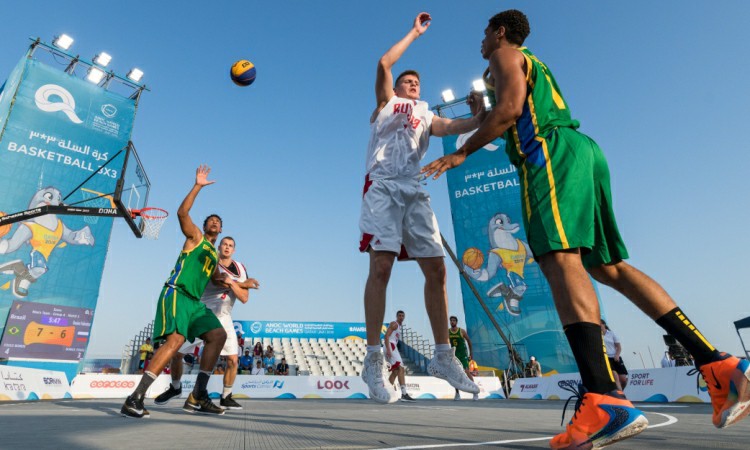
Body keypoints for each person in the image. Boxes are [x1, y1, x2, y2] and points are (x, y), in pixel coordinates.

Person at [421, 9, 750, 447]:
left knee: (560, 261)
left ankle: (602, 397)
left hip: (549, 155)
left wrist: (462, 153)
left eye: (485, 33)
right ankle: (719, 365)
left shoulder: (504, 53)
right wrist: (482, 115)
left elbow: (512, 110)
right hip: (581, 153)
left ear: (500, 32)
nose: (482, 41)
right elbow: (506, 110)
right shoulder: (528, 62)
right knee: (609, 267)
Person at [359, 11, 484, 405]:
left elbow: (456, 128)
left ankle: (444, 356)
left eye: (417, 82)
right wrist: (414, 32)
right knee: (381, 266)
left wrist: (479, 115)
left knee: (438, 269)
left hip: (414, 190)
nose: (414, 84)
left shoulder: (427, 113)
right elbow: (384, 62)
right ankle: (373, 357)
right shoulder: (386, 104)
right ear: (395, 87)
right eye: (407, 81)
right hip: (382, 188)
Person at [120, 165, 228, 419]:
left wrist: (241, 283)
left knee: (217, 335)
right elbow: (182, 212)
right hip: (177, 293)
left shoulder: (213, 255)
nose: (215, 222)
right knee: (176, 342)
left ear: (221, 230)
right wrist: (198, 186)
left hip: (195, 304)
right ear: (204, 226)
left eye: (219, 221)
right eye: (211, 220)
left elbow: (216, 278)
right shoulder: (196, 238)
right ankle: (135, 398)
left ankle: (198, 395)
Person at [153, 236, 259, 411]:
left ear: (234, 250)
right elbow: (218, 280)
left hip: (224, 316)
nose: (227, 247)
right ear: (219, 246)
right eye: (224, 244)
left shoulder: (241, 268)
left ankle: (226, 396)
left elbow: (244, 297)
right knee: (176, 353)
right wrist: (240, 284)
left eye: (230, 245)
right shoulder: (211, 261)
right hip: (202, 311)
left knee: (233, 359)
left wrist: (233, 283)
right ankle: (176, 387)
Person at [384, 311, 415, 402]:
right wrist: (389, 350)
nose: (401, 317)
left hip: (392, 346)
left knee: (396, 371)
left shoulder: (399, 326)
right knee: (401, 368)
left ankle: (386, 392)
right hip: (390, 346)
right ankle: (404, 394)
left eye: (402, 316)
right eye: (400, 315)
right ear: (397, 316)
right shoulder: (395, 324)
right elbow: (386, 336)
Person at [449, 316, 478, 401]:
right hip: (454, 355)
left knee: (467, 372)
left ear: (456, 322)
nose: (452, 322)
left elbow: (469, 341)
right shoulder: (448, 332)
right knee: (454, 374)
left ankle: (475, 392)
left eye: (454, 320)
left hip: (463, 354)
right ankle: (457, 394)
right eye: (451, 321)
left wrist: (471, 353)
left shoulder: (461, 331)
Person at [601, 320, 628, 390]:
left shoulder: (611, 334)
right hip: (606, 359)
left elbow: (619, 347)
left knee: (623, 380)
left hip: (616, 358)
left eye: (600, 324)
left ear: (604, 324)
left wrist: (617, 355)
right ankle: (620, 397)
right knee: (615, 377)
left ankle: (620, 393)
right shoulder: (597, 335)